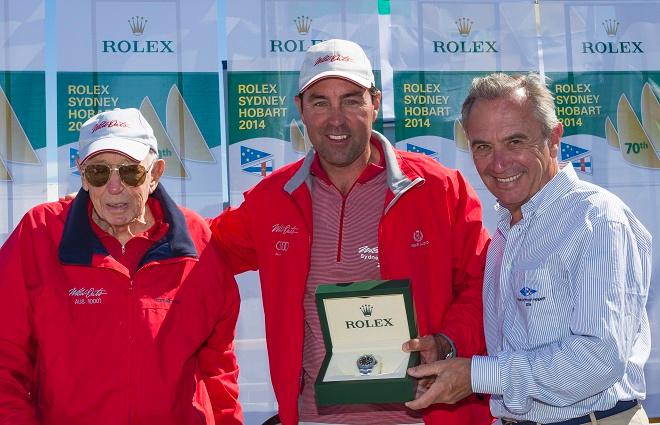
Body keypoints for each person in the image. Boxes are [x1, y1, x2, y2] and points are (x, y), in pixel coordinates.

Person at [211, 39, 492, 425]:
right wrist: (134, 199)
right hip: (314, 417)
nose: (336, 119)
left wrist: (447, 341)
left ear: (375, 103)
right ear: (301, 110)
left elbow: (485, 284)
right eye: (320, 102)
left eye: (351, 99)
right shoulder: (272, 200)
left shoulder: (440, 189)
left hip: (425, 416)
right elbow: (198, 252)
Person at [404, 72, 652, 425]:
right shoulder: (507, 233)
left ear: (553, 139)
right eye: (483, 146)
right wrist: (446, 351)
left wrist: (476, 375)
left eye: (515, 141)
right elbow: (515, 352)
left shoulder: (595, 219)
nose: (498, 163)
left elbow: (596, 359)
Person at [0, 108, 243, 424]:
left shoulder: (198, 243)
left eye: (131, 173)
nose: (114, 187)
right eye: (99, 173)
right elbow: (5, 359)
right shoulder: (39, 234)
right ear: (82, 175)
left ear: (155, 174)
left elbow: (219, 368)